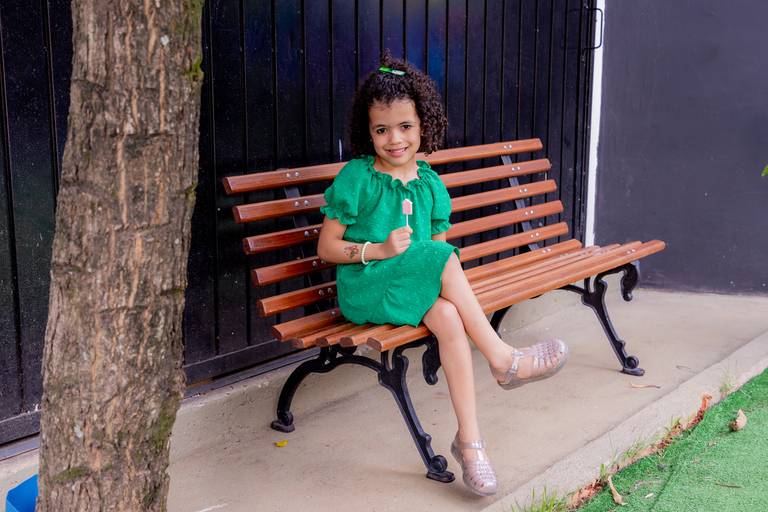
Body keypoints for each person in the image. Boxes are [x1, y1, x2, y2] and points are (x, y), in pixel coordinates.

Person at [316, 53, 569, 496]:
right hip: (367, 287)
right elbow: (327, 247)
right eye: (381, 130)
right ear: (367, 131)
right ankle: (502, 359)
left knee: (449, 315)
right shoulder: (358, 177)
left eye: (405, 126)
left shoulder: (430, 183)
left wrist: (425, 268)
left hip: (409, 286)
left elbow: (436, 256)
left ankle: (470, 444)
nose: (394, 139)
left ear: (423, 125)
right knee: (443, 257)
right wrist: (377, 249)